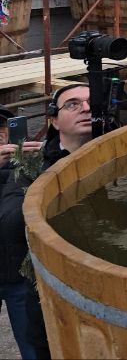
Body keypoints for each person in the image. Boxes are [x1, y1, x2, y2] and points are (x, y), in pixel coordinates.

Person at [0, 100, 51, 359]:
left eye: (3, 129)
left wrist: (40, 161)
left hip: (19, 275)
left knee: (34, 347)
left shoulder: (27, 161)